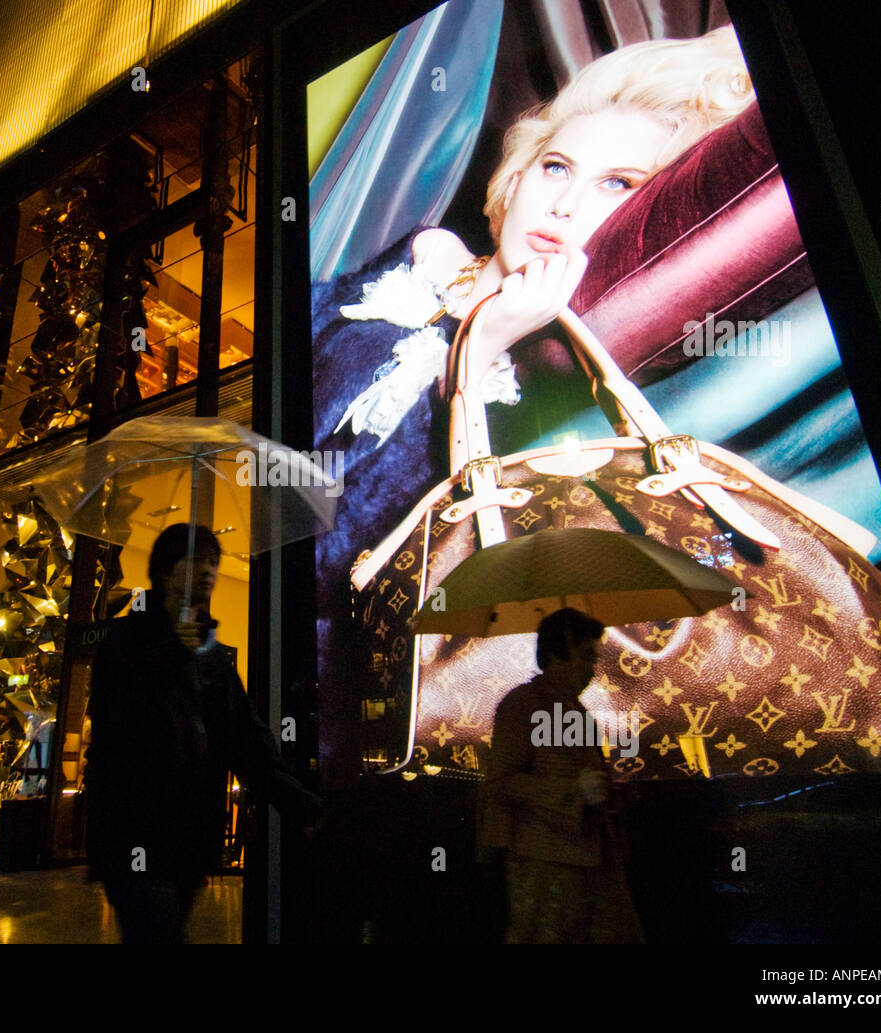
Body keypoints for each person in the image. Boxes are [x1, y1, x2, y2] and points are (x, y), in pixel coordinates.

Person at [312, 26, 755, 780]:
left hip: (353, 706)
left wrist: (479, 347)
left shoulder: (545, 371)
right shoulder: (418, 261)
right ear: (514, 179)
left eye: (619, 185)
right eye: (556, 167)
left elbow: (429, 542)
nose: (566, 203)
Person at [83, 524, 321, 943]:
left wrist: (300, 805)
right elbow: (117, 725)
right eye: (196, 559)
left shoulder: (211, 657)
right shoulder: (125, 639)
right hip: (134, 836)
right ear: (166, 569)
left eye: (214, 561)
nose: (208, 570)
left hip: (188, 841)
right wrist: (171, 653)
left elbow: (245, 740)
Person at [479, 607, 643, 943]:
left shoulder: (578, 711)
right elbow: (501, 783)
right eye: (585, 657)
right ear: (556, 655)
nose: (592, 670)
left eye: (594, 659)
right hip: (542, 864)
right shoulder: (521, 705)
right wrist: (574, 791)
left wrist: (609, 792)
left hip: (593, 858)